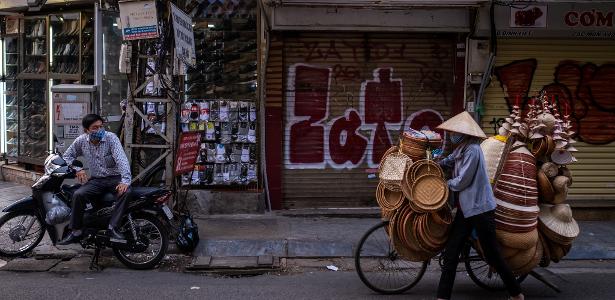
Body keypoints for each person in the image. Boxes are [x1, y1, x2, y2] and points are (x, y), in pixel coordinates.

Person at [435, 111, 524, 300]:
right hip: (466, 210)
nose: (451, 135)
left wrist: (444, 184)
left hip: (480, 210)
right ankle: (442, 297)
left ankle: (516, 293)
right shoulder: (461, 148)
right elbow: (448, 160)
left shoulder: (473, 150)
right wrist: (435, 165)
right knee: (451, 254)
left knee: (492, 255)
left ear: (464, 133)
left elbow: (462, 181)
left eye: (454, 132)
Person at [58, 114, 132, 245]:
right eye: (95, 127)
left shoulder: (111, 138)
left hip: (115, 178)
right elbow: (67, 156)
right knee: (78, 194)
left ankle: (112, 228)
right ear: (86, 130)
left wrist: (125, 181)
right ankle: (76, 231)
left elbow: (122, 160)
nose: (99, 130)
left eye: (101, 127)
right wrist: (78, 169)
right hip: (97, 180)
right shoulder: (81, 141)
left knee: (126, 192)